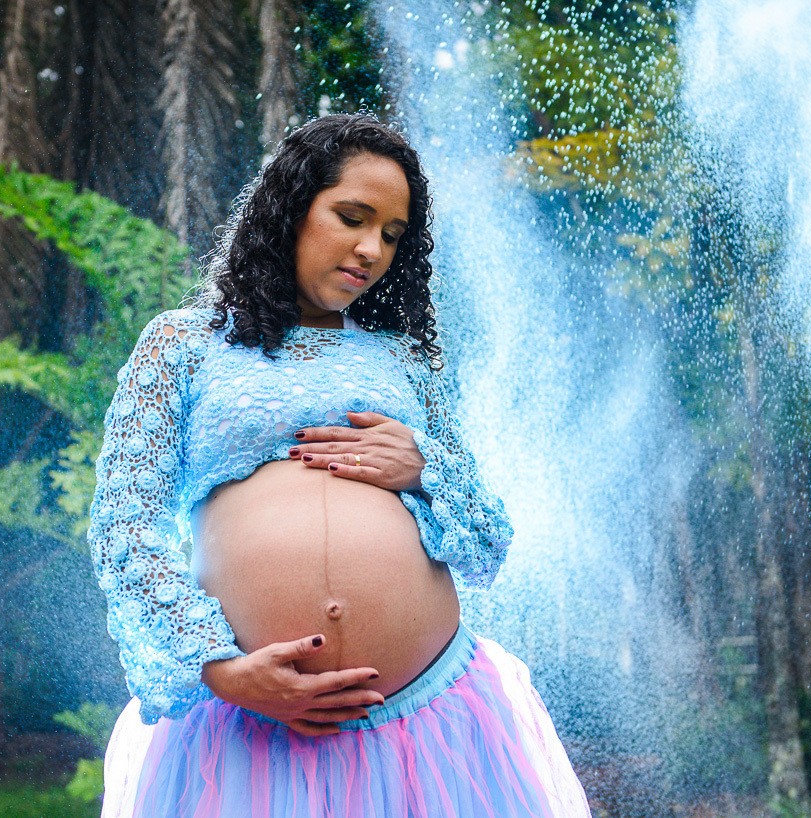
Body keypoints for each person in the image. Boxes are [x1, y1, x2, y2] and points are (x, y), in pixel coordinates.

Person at [89, 113, 592, 817]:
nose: (370, 249)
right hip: (247, 733)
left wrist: (425, 468)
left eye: (391, 235)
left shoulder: (406, 359)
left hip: (431, 731)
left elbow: (484, 545)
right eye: (352, 217)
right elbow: (125, 527)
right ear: (291, 206)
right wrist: (222, 670)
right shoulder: (180, 344)